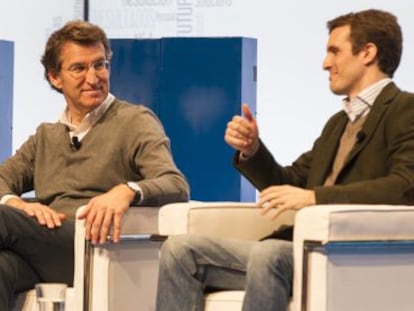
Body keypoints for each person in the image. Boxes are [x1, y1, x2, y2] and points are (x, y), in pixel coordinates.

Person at [155, 9, 414, 311]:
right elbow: (287, 184)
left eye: (334, 51)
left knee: (270, 255)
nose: (325, 63)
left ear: (368, 52)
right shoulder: (337, 124)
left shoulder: (405, 111)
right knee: (179, 250)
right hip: (294, 248)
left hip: (344, 252)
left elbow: (405, 187)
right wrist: (252, 150)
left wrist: (316, 198)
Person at [0, 20, 189, 309]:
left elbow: (175, 184)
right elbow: (3, 179)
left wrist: (126, 190)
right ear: (54, 77)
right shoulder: (46, 136)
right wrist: (19, 205)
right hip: (43, 250)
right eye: (79, 68)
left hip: (91, 244)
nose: (93, 77)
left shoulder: (135, 121)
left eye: (100, 65)